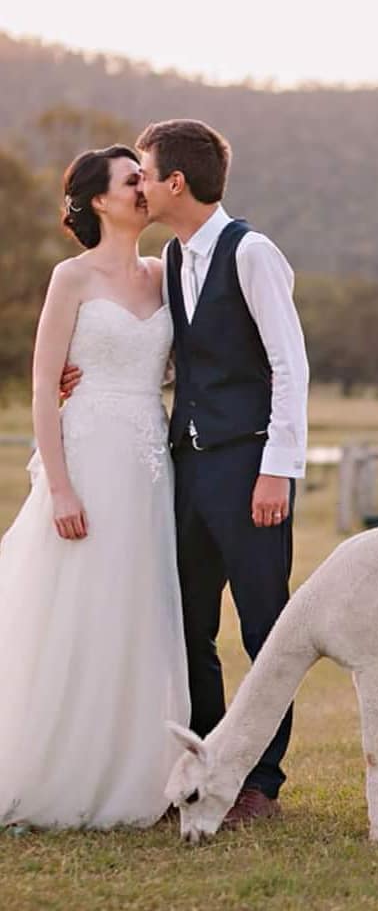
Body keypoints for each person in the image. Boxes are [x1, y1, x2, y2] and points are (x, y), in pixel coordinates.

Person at [0, 145, 190, 828]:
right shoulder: (71, 277)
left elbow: (170, 366)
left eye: (144, 176)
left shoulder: (166, 274)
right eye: (131, 179)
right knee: (77, 607)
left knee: (136, 607)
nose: (144, 186)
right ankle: (57, 769)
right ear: (99, 201)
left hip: (147, 461)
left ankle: (137, 770)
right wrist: (60, 488)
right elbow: (43, 388)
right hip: (85, 456)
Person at [134, 119, 309, 826]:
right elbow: (191, 359)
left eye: (144, 173)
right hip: (187, 467)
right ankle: (208, 765)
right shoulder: (174, 260)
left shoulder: (253, 253)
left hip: (249, 466)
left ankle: (260, 781)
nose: (140, 185)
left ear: (176, 182)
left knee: (265, 628)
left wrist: (277, 470)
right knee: (189, 626)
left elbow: (288, 365)